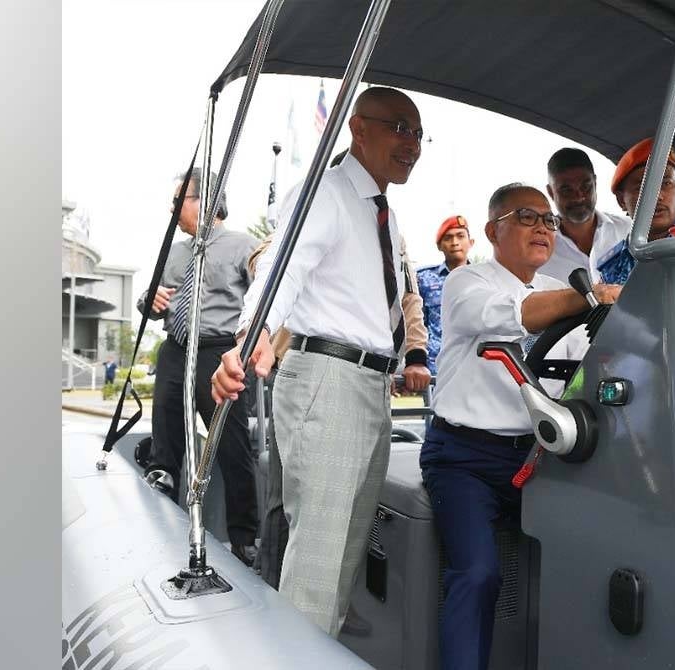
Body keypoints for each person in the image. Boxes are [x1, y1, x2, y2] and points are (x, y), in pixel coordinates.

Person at [210, 86, 431, 635]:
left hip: (369, 386)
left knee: (344, 556)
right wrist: (251, 334)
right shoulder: (325, 193)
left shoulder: (383, 214)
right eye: (399, 128)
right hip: (329, 381)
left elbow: (392, 299)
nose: (412, 144)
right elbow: (282, 266)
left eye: (418, 134)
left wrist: (405, 354)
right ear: (358, 129)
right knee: (318, 562)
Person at [422, 183, 621, 670]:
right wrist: (589, 297)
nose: (542, 228)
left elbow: (585, 371)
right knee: (478, 572)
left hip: (537, 459)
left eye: (549, 221)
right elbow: (515, 317)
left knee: (593, 555)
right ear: (493, 230)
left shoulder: (556, 295)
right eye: (527, 217)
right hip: (463, 458)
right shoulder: (467, 283)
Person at [246, 233, 429, 594]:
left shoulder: (392, 233)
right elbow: (263, 267)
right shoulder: (312, 211)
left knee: (352, 503)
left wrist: (416, 354)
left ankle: (335, 604)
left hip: (370, 376)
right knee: (290, 498)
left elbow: (408, 298)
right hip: (309, 368)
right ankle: (270, 593)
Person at [136, 168, 260, 567]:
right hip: (174, 349)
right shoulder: (173, 251)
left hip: (218, 353)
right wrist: (148, 298)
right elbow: (148, 299)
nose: (172, 208)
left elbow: (265, 293)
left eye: (179, 201)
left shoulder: (243, 246)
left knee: (231, 445)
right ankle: (159, 529)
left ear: (205, 200)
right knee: (165, 444)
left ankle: (244, 539)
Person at [599, 137, 675, 285]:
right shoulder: (613, 268)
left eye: (666, 183)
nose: (658, 196)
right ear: (622, 201)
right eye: (642, 188)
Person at [539, 147, 632, 284]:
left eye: (586, 187)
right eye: (567, 190)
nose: (578, 197)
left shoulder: (629, 230)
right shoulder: (539, 248)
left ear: (595, 183)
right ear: (551, 192)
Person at [416, 215, 474, 374]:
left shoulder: (484, 278)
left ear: (471, 242)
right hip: (438, 366)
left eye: (460, 236)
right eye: (448, 238)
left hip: (476, 364)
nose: (455, 242)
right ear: (439, 246)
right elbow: (417, 324)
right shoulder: (423, 279)